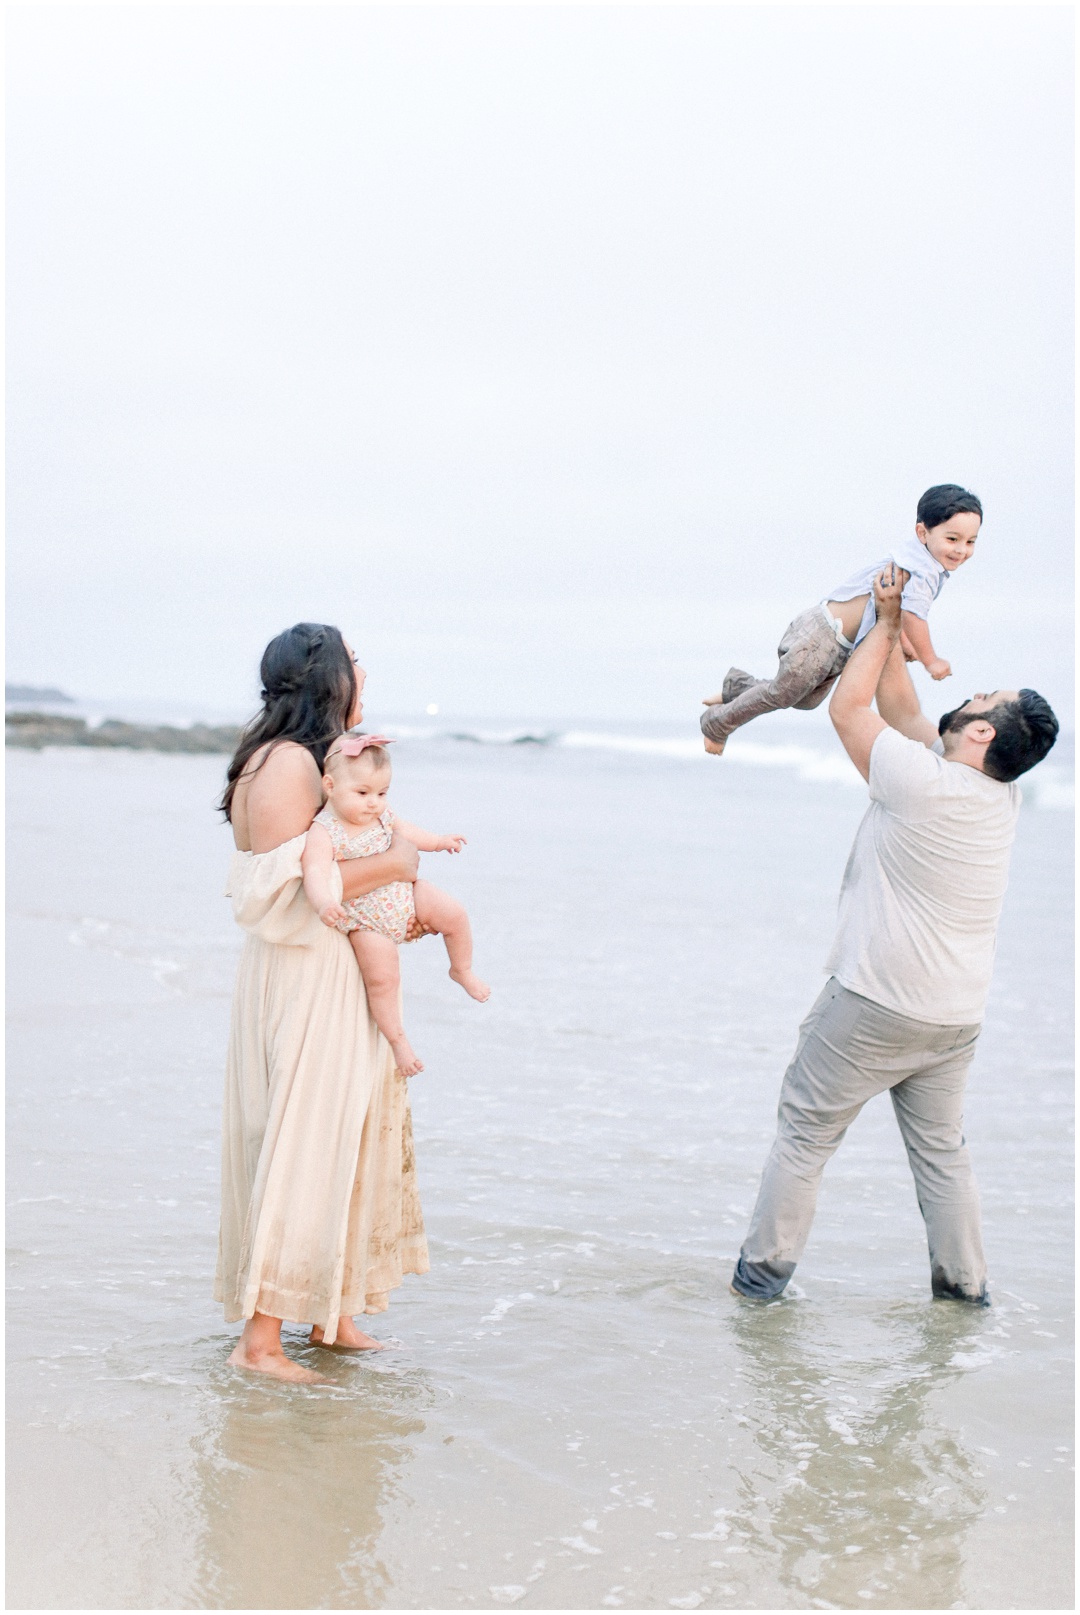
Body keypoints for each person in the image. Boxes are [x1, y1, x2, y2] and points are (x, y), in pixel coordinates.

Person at [730, 564, 1058, 1305]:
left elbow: (850, 712)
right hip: (954, 1017)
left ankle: (759, 1287)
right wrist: (894, 626)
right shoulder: (991, 795)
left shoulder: (925, 783)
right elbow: (900, 704)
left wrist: (881, 626)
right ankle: (964, 1294)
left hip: (876, 1002)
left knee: (805, 1135)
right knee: (943, 1155)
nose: (970, 694)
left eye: (981, 699)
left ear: (980, 730)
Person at [216, 622, 430, 1382]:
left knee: (341, 1137)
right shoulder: (288, 766)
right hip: (305, 971)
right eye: (351, 665)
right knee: (303, 1142)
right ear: (326, 679)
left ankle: (328, 1314)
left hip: (313, 967)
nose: (362, 672)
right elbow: (281, 892)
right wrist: (399, 863)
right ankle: (262, 1341)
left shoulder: (300, 759)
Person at [700, 484, 982, 755]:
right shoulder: (924, 571)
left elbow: (897, 611)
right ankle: (716, 724)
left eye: (971, 542)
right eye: (952, 539)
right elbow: (912, 615)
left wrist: (906, 645)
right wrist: (930, 659)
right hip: (823, 636)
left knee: (806, 700)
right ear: (922, 532)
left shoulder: (918, 562)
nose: (962, 550)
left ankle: (736, 687)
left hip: (836, 643)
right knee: (783, 694)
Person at [302, 734, 490, 1078]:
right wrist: (323, 903)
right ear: (330, 785)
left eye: (381, 793)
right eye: (362, 793)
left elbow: (410, 832)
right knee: (383, 981)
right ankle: (399, 1042)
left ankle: (461, 969)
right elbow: (314, 871)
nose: (373, 802)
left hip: (407, 894)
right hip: (365, 921)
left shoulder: (382, 816)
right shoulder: (325, 830)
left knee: (454, 913)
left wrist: (439, 842)